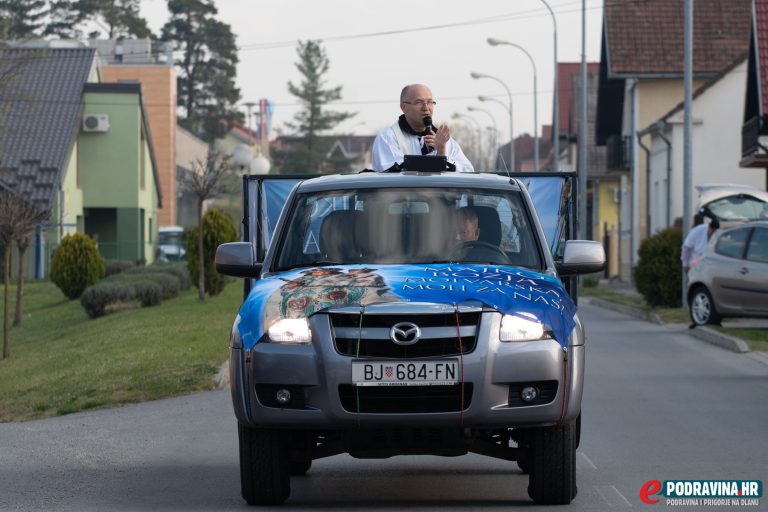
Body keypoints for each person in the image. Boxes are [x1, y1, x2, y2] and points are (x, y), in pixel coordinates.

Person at [372, 84, 474, 173]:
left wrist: (442, 151)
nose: (426, 108)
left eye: (430, 102)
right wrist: (439, 156)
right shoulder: (388, 138)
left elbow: (467, 171)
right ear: (403, 107)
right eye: (419, 102)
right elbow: (395, 173)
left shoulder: (444, 141)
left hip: (439, 195)